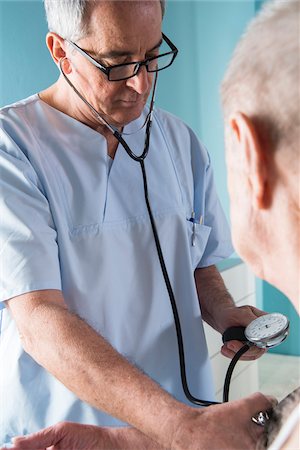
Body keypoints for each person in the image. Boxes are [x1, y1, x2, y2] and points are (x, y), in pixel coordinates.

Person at [0, 1, 271, 449]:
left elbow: (197, 263)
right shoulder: (12, 150)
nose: (140, 83)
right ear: (60, 51)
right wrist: (181, 428)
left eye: (151, 56)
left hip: (183, 420)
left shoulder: (179, 142)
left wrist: (225, 314)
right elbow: (39, 317)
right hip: (65, 430)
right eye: (117, 63)